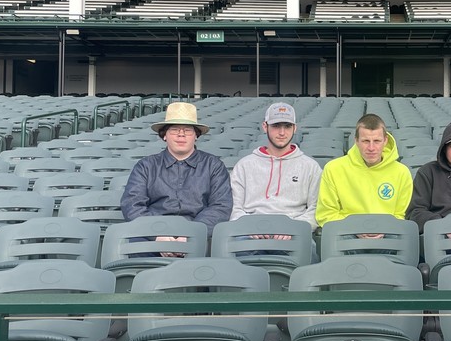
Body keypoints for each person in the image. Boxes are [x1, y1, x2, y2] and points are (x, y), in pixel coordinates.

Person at [120, 102, 232, 239]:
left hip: (199, 236)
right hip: (153, 235)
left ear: (196, 135)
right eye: (174, 130)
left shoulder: (214, 166)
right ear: (164, 135)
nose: (181, 135)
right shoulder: (146, 166)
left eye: (187, 130)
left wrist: (192, 234)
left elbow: (220, 206)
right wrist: (156, 234)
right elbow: (132, 204)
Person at [230, 102, 322, 231]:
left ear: (295, 128)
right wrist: (251, 228)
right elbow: (235, 208)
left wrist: (293, 229)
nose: (282, 132)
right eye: (276, 126)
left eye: (287, 126)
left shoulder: (310, 167)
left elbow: (315, 209)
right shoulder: (244, 165)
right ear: (265, 126)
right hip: (250, 232)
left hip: (294, 232)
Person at [315, 113, 413, 227]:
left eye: (377, 141)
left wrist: (380, 228)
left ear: (385, 141)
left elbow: (401, 216)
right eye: (365, 141)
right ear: (356, 141)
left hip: (389, 232)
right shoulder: (333, 169)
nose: (371, 148)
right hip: (346, 232)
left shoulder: (402, 173)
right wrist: (358, 227)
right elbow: (326, 214)